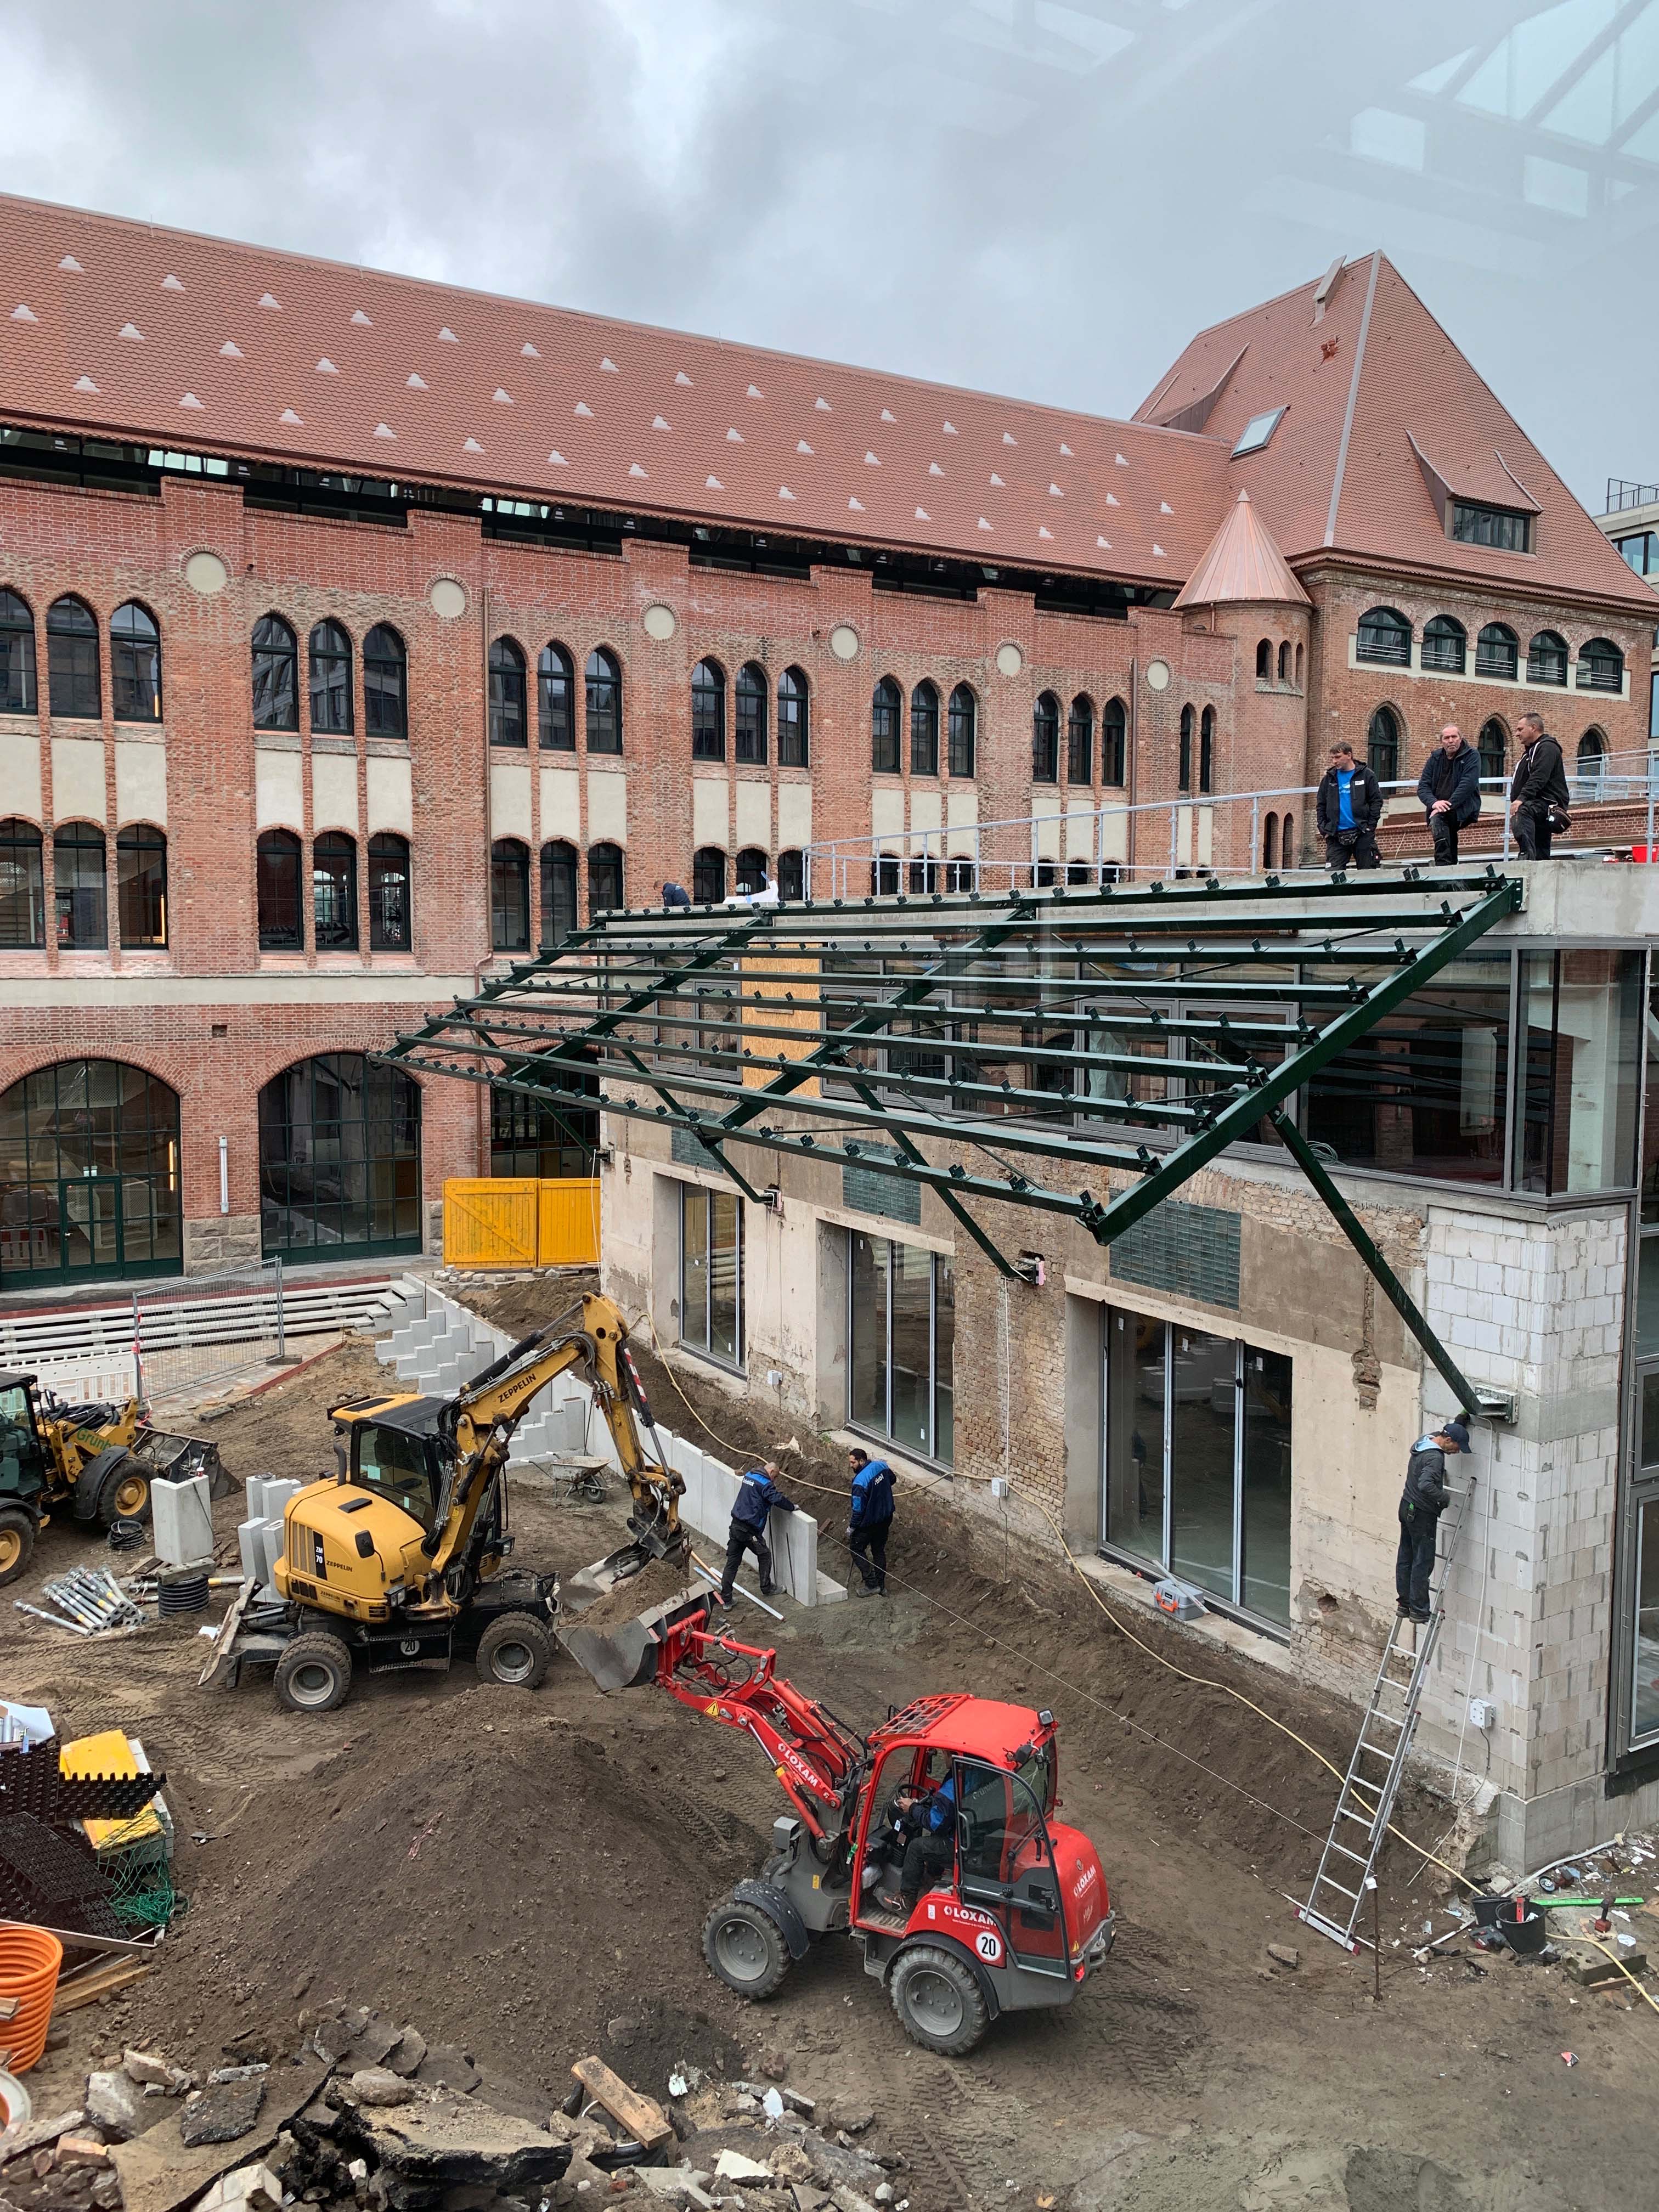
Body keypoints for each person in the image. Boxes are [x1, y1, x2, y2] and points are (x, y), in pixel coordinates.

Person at [1396, 1418, 1469, 1624]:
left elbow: (1445, 1430)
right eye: (1457, 1447)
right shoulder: (1435, 1458)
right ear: (1447, 1440)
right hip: (1421, 1514)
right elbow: (1425, 1484)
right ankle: (1419, 1610)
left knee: (1406, 1556)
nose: (1458, 1452)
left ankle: (1405, 1603)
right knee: (1423, 1561)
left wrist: (1461, 1420)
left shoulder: (1425, 1440)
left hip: (1406, 1507)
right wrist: (1443, 1499)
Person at [877, 1773, 957, 1912]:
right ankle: (933, 1874)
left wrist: (913, 1808)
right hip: (968, 1835)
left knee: (916, 1847)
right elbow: (947, 1811)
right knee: (934, 1839)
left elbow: (935, 1823)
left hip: (958, 1844)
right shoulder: (971, 1775)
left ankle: (906, 1901)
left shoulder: (955, 1783)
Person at [719, 1457, 795, 1604]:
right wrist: (792, 1507)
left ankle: (726, 1599)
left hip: (736, 1526)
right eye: (775, 1476)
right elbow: (777, 1499)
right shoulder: (765, 1484)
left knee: (732, 1563)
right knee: (765, 1555)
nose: (774, 1480)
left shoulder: (750, 1476)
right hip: (749, 1530)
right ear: (771, 1471)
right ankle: (767, 1588)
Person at [1416, 725, 1481, 865]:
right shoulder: (1435, 759)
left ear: (1461, 738)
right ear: (1442, 741)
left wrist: (1447, 805)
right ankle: (1449, 867)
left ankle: (1443, 866)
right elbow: (1423, 787)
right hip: (1439, 807)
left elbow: (1468, 784)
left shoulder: (1472, 755)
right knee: (1445, 830)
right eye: (1447, 738)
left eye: (1454, 737)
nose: (1451, 741)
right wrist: (1434, 803)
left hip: (1462, 808)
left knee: (1439, 821)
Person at [1315, 740, 1383, 871]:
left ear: (1349, 755)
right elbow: (1321, 805)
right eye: (1333, 758)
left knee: (1368, 876)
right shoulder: (1329, 779)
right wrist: (1324, 829)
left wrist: (1370, 826)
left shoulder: (1367, 775)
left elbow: (1376, 801)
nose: (1335, 762)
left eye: (1338, 757)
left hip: (1362, 832)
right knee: (1332, 877)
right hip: (1335, 835)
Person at [1510, 712, 1568, 860]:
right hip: (1537, 802)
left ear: (1533, 728)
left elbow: (1539, 776)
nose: (1517, 734)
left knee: (1523, 811)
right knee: (1541, 845)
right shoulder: (1530, 752)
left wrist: (1521, 798)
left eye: (1520, 729)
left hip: (1547, 803)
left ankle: (1527, 856)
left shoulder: (1547, 748)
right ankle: (1539, 862)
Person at [847, 1446, 896, 1595]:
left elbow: (858, 1509)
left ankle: (872, 1584)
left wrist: (852, 1527)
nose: (851, 1466)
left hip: (870, 1523)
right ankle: (882, 1586)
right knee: (878, 1550)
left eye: (853, 1463)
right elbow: (892, 1479)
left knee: (856, 1548)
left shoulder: (859, 1482)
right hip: (886, 1517)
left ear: (862, 1461)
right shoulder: (880, 1465)